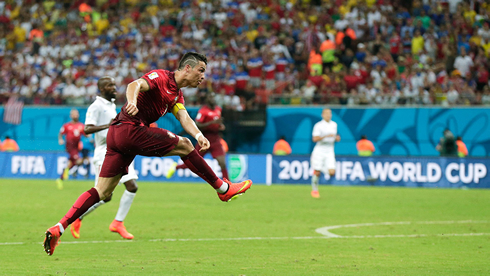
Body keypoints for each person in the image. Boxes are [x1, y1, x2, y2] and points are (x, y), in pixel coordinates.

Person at [43, 52, 253, 256]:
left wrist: (199, 135)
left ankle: (59, 228)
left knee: (102, 191)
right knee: (184, 145)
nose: (203, 76)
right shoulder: (162, 77)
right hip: (129, 129)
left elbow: (184, 117)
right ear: (187, 68)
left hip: (117, 136)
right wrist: (132, 102)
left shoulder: (177, 95)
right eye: (201, 70)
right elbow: (134, 85)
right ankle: (223, 188)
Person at [70, 76, 139, 241]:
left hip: (118, 151)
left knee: (131, 186)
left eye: (114, 84)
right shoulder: (96, 106)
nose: (114, 87)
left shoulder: (111, 106)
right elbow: (87, 129)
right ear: (101, 89)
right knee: (103, 195)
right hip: (104, 153)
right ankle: (77, 217)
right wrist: (109, 126)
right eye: (109, 85)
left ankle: (118, 222)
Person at [166, 92, 229, 180]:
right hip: (204, 139)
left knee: (222, 163)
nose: (213, 99)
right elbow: (197, 124)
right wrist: (212, 123)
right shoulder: (203, 111)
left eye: (214, 97)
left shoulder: (218, 109)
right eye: (211, 97)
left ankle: (228, 184)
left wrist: (219, 126)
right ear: (207, 100)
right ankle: (176, 167)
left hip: (215, 139)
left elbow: (217, 122)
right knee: (194, 162)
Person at [310, 108, 340, 198]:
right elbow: (314, 139)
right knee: (317, 172)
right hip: (320, 150)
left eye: (330, 113)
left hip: (330, 150)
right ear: (322, 115)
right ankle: (314, 190)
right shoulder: (318, 125)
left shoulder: (334, 125)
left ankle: (321, 168)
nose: (328, 115)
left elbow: (335, 137)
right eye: (326, 114)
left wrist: (336, 138)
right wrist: (326, 136)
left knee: (332, 172)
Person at [56, 109, 85, 190]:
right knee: (79, 161)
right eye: (74, 114)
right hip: (70, 146)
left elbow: (86, 135)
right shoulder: (67, 125)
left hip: (76, 147)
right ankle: (66, 172)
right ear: (71, 116)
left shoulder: (81, 126)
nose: (76, 115)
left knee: (71, 163)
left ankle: (61, 178)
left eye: (77, 114)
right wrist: (60, 140)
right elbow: (60, 133)